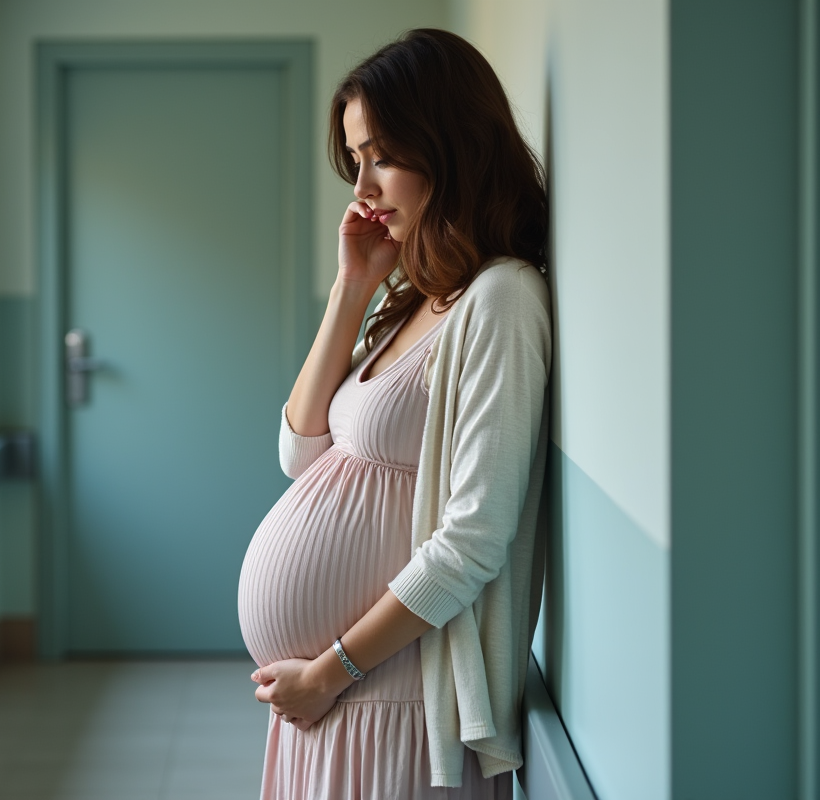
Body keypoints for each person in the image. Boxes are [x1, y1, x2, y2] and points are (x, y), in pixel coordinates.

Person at [237, 28, 551, 799]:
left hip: (396, 698)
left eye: (380, 157)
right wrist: (352, 289)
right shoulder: (418, 295)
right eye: (355, 161)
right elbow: (300, 454)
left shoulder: (502, 299)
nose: (363, 189)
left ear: (450, 145)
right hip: (342, 699)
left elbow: (473, 540)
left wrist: (328, 672)